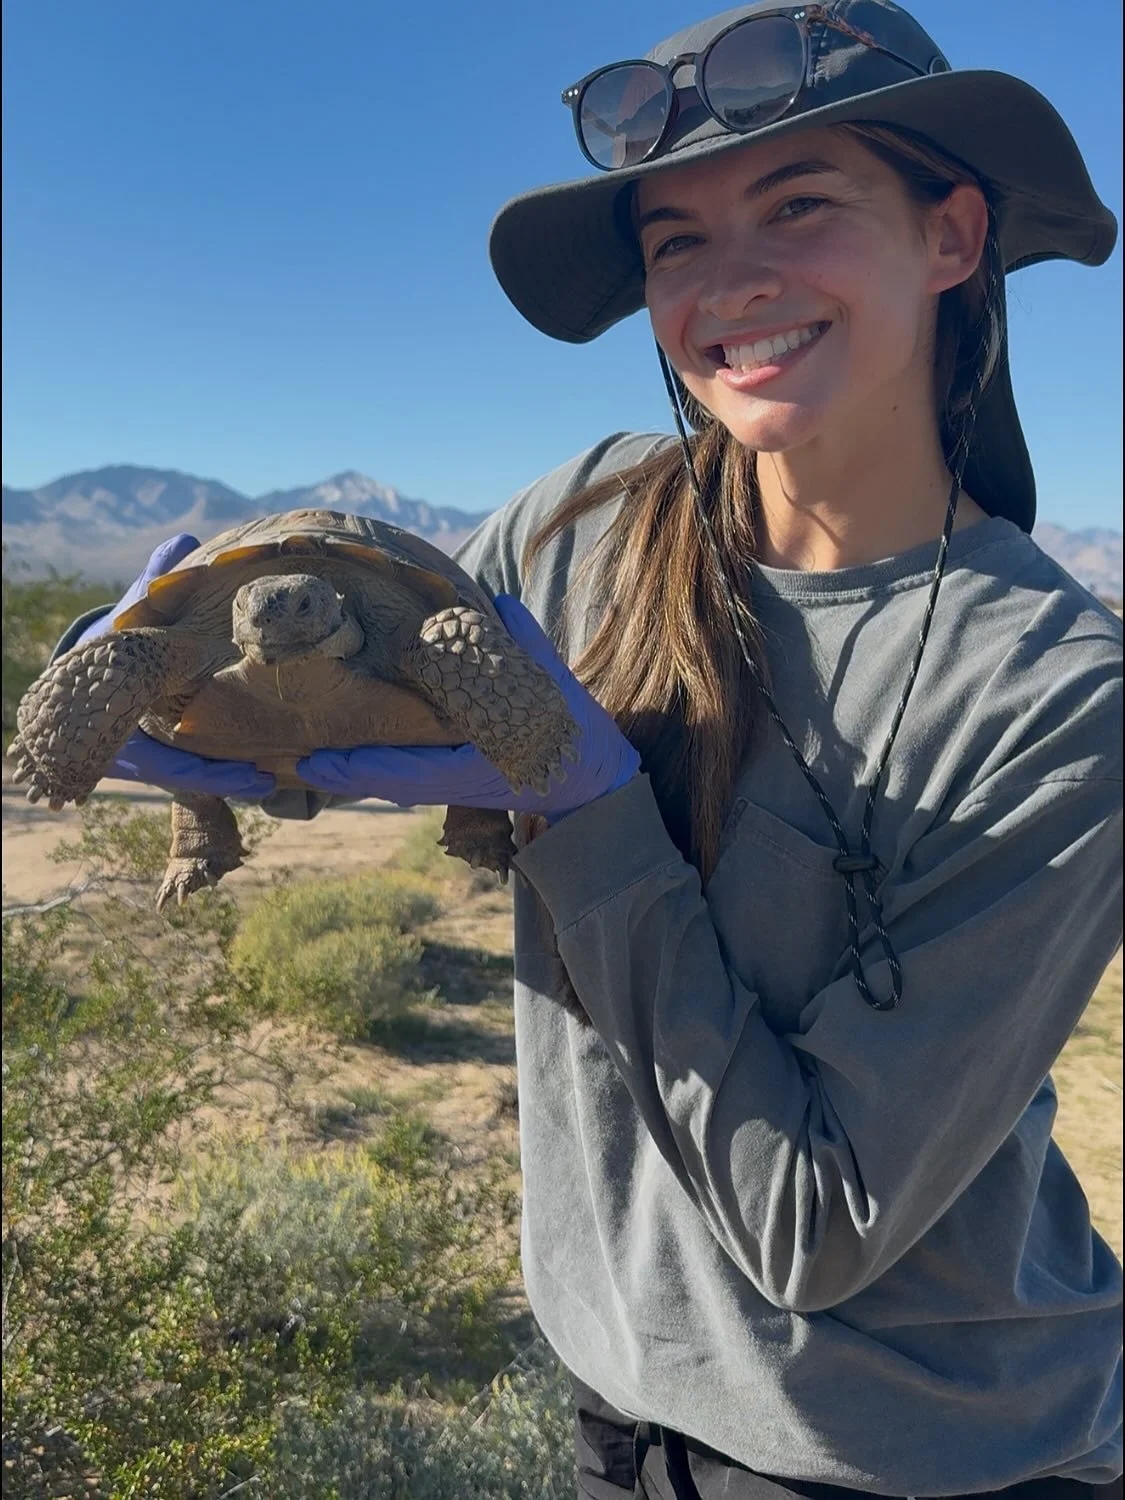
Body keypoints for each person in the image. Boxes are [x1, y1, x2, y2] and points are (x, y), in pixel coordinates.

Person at [46, 2, 1123, 1494]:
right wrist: (143, 699)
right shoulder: (589, 525)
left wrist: (589, 810)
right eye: (675, 241)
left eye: (798, 204)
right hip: (619, 1405)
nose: (727, 281)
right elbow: (368, 704)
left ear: (951, 238)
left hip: (919, 1444)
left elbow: (819, 1222)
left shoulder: (1058, 691)